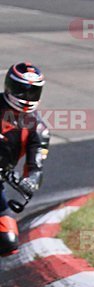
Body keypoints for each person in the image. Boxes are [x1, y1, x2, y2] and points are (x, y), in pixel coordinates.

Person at [0, 62, 50, 256]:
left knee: (8, 240)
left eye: (33, 92)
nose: (28, 98)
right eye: (23, 91)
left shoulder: (38, 129)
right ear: (9, 87)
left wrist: (28, 183)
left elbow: (36, 169)